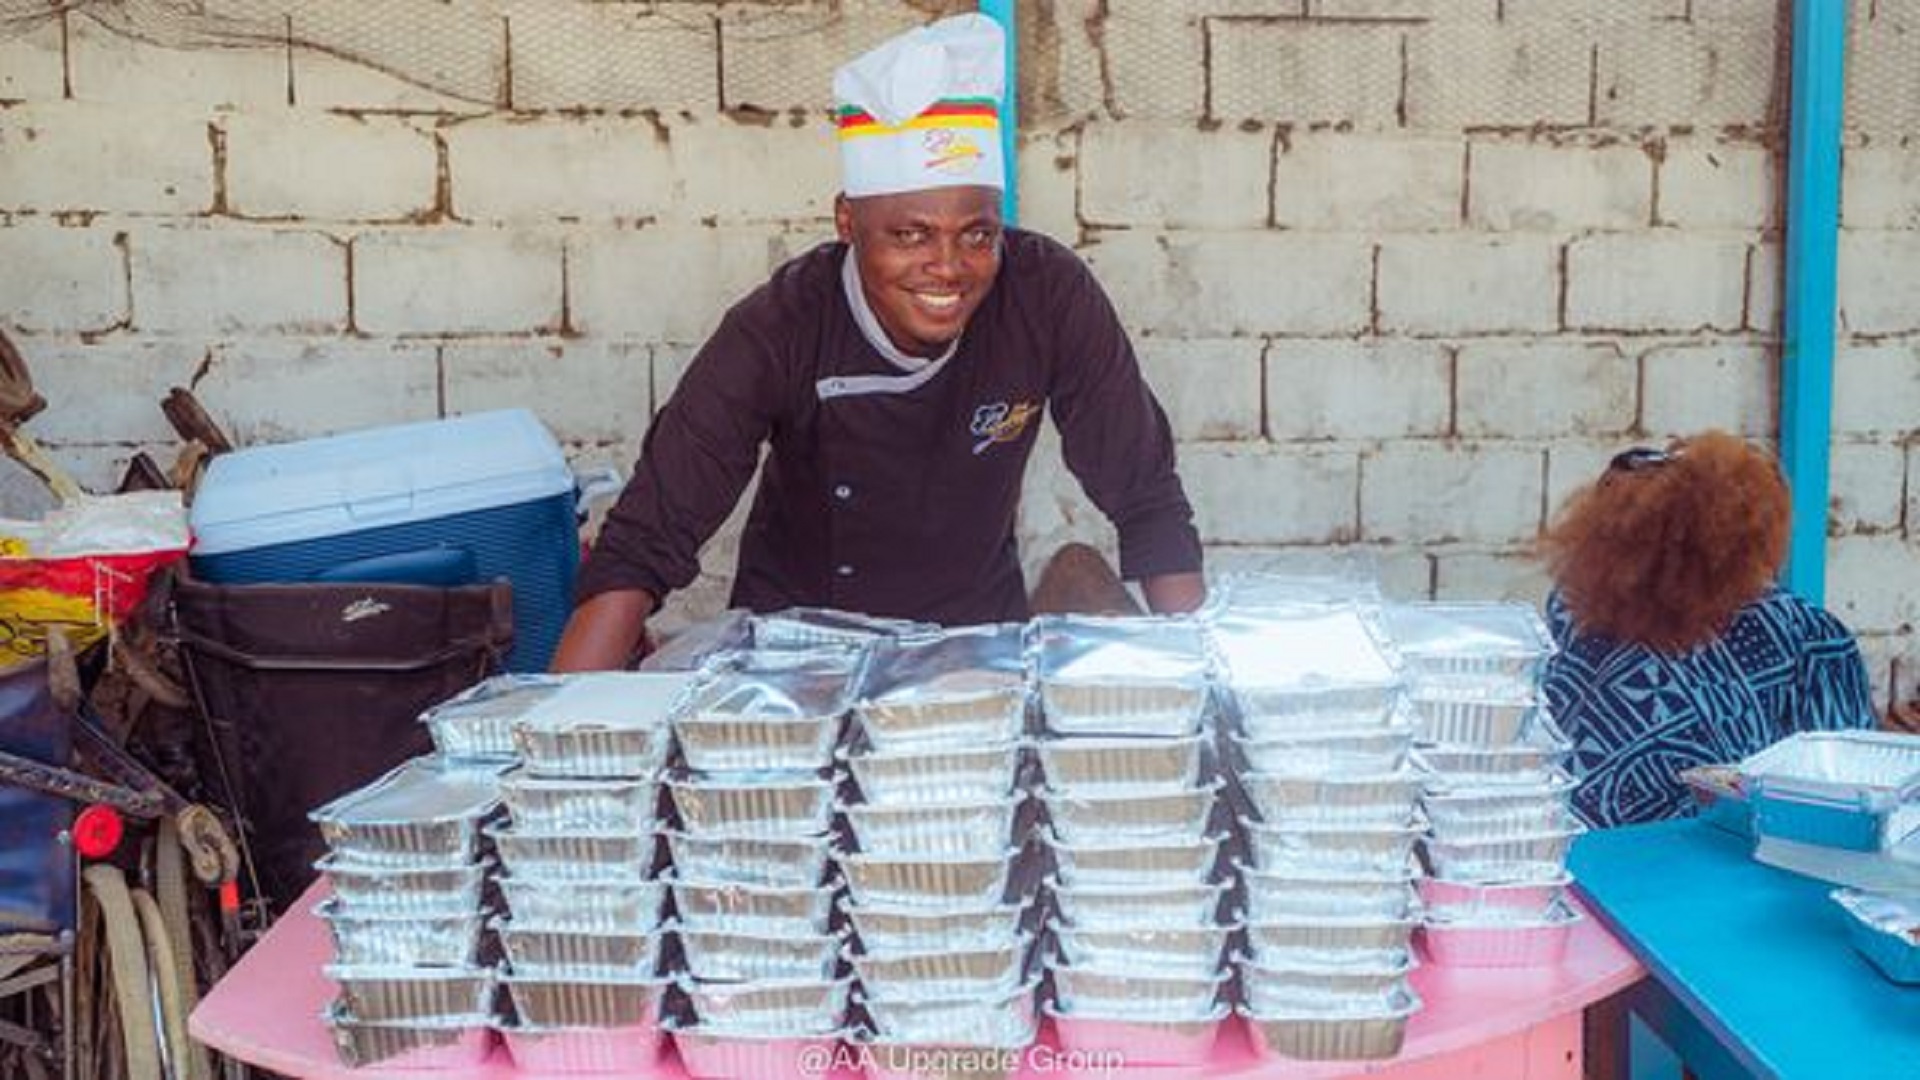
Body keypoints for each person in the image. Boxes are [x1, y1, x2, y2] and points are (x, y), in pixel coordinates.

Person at [552, 15, 1203, 671]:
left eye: (977, 234)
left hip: (976, 650)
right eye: (910, 235)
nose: (948, 266)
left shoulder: (1047, 296)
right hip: (799, 656)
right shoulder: (780, 328)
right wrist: (565, 728)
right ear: (847, 221)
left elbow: (1144, 492)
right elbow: (647, 538)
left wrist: (1202, 680)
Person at [1538, 430, 1874, 828]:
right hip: (1741, 854)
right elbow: (1853, 784)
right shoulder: (1803, 632)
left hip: (1567, 845)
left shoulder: (1576, 609)